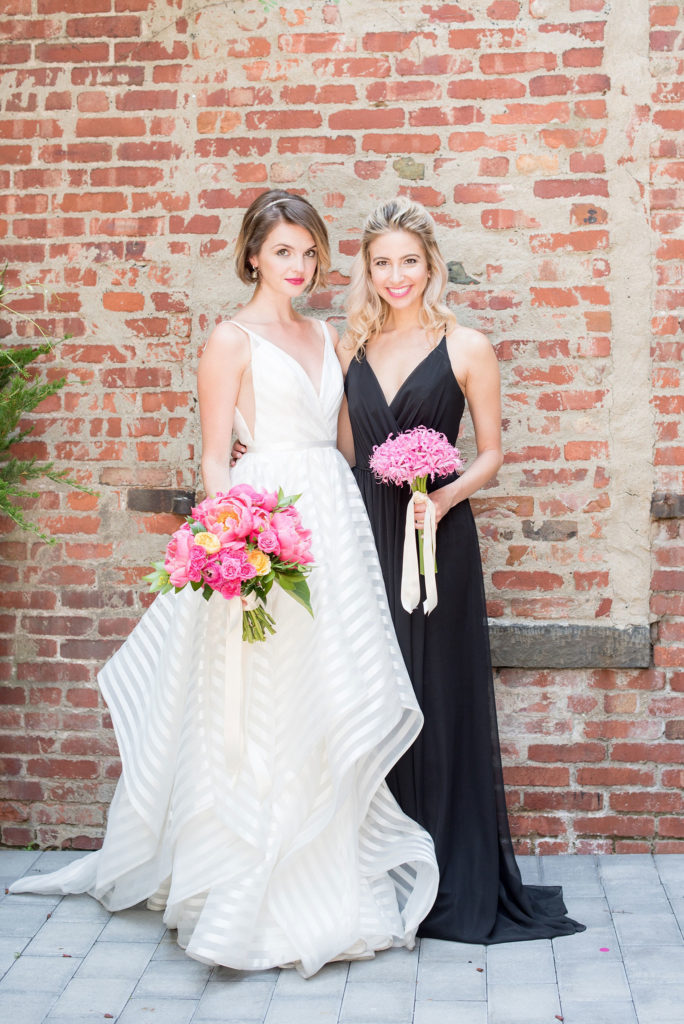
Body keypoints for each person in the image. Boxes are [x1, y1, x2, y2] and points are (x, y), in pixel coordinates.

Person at [10, 190, 439, 978]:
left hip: (332, 519)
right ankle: (246, 886)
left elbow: (344, 439)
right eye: (284, 252)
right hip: (265, 520)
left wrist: (411, 473)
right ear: (252, 256)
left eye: (310, 252)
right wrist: (232, 539)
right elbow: (214, 458)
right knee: (260, 702)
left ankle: (326, 873)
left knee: (328, 691)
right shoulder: (228, 339)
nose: (300, 267)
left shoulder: (328, 334)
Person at [338, 196, 585, 943]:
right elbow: (345, 455)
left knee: (437, 693)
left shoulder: (468, 346)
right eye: (381, 263)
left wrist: (440, 499)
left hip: (435, 535)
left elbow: (492, 454)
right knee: (373, 692)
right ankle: (383, 870)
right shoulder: (352, 349)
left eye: (408, 261)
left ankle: (451, 871)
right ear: (367, 269)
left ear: (431, 264)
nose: (395, 276)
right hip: (366, 538)